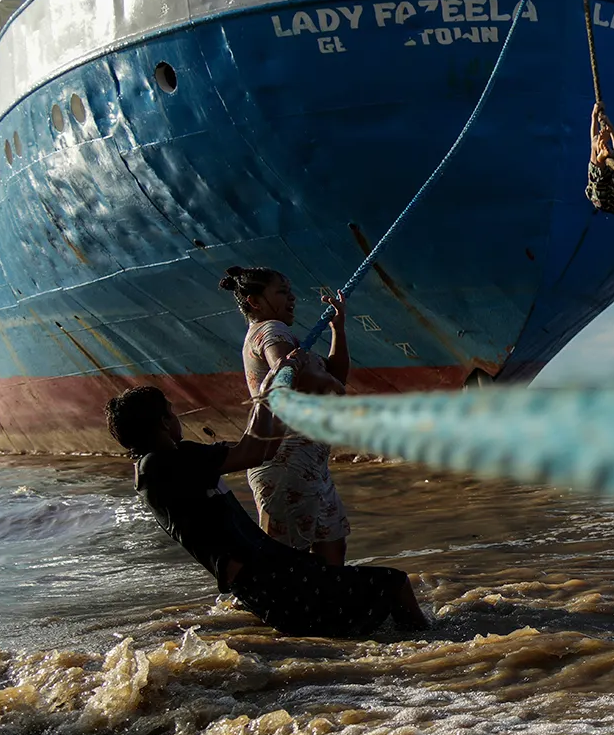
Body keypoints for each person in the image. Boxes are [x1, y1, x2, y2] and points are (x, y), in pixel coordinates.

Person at [103, 381, 427, 638]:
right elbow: (250, 452)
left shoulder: (168, 462)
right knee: (393, 584)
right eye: (172, 414)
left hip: (266, 577)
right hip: (268, 579)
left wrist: (274, 400)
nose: (178, 420)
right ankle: (433, 646)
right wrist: (265, 398)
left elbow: (263, 450)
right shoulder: (166, 464)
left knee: (351, 619)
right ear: (162, 422)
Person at [220, 266, 353, 565]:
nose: (292, 297)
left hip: (310, 465)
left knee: (330, 552)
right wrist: (333, 389)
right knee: (285, 566)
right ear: (255, 301)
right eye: (282, 292)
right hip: (286, 463)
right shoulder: (270, 330)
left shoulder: (279, 333)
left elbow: (336, 375)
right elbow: (288, 372)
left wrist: (338, 329)